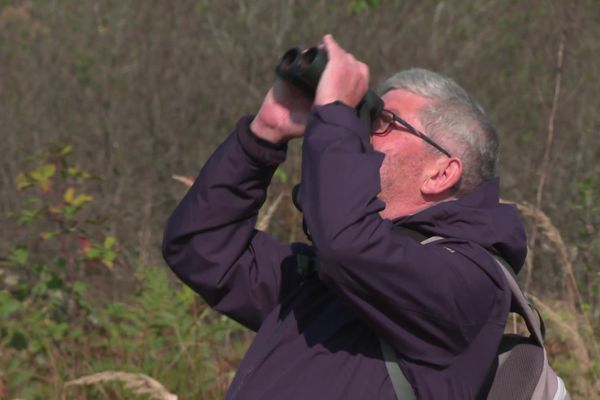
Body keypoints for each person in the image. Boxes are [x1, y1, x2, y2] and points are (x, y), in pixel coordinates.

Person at [162, 34, 527, 399]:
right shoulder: (333, 275)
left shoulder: (469, 282)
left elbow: (348, 245)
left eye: (382, 120)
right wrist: (264, 135)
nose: (362, 131)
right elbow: (201, 247)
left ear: (441, 174)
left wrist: (335, 112)